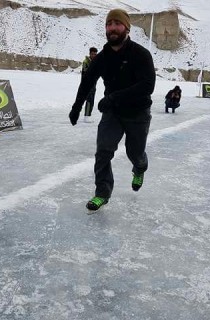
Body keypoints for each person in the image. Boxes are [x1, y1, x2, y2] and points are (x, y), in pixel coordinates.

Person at [68, 8, 156, 211]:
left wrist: (114, 97)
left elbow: (147, 86)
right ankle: (102, 193)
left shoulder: (141, 54)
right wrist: (76, 107)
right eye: (109, 24)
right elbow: (87, 82)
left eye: (117, 24)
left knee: (135, 153)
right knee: (103, 151)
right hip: (113, 113)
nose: (112, 28)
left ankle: (140, 167)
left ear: (126, 27)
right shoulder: (102, 57)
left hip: (137, 113)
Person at [82, 47, 98, 123]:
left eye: (95, 54)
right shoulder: (86, 62)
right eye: (92, 54)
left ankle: (88, 115)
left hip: (93, 85)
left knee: (91, 100)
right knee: (89, 100)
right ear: (90, 54)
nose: (94, 55)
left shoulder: (96, 61)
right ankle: (86, 116)